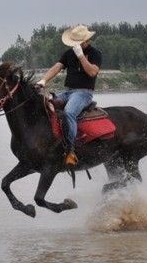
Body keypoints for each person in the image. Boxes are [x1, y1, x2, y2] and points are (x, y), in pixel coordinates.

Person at [36, 25, 102, 167]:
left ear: (86, 41)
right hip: (67, 91)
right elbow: (57, 67)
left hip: (84, 93)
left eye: (77, 43)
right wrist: (43, 80)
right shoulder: (68, 53)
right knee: (45, 105)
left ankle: (70, 151)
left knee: (69, 113)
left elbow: (92, 72)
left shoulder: (95, 53)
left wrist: (81, 56)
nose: (74, 46)